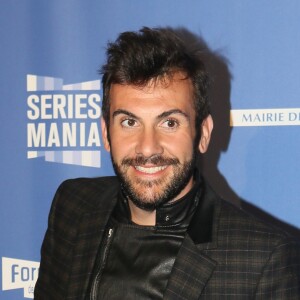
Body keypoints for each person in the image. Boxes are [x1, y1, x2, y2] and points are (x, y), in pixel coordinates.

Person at [34, 27, 300, 299]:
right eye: (129, 122)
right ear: (106, 134)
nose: (148, 147)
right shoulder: (73, 206)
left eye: (169, 123)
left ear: (203, 134)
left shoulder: (263, 259)